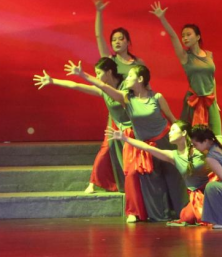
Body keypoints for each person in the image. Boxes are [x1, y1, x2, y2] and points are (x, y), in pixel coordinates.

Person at [77, 62, 185, 222]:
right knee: (152, 183)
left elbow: (172, 119)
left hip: (164, 142)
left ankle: (183, 213)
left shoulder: (157, 97)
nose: (126, 78)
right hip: (145, 146)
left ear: (140, 79)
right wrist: (83, 75)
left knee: (174, 179)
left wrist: (186, 137)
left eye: (130, 76)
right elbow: (103, 86)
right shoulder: (126, 99)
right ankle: (161, 215)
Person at [32, 57, 129, 194]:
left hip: (131, 126)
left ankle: (134, 185)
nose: (97, 77)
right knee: (106, 150)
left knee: (131, 155)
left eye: (99, 73)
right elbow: (75, 85)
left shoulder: (125, 86)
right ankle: (94, 183)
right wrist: (53, 81)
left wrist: (83, 74)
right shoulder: (102, 89)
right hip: (115, 124)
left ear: (109, 72)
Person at [107, 121, 212, 226]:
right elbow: (148, 148)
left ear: (184, 133)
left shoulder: (199, 148)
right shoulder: (173, 156)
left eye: (173, 130)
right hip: (197, 195)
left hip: (211, 189)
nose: (170, 133)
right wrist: (125, 138)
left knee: (204, 214)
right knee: (186, 216)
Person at [149, 2, 222, 134]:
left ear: (198, 37)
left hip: (210, 101)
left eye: (188, 34)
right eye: (183, 35)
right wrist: (162, 18)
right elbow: (173, 36)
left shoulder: (209, 54)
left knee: (217, 135)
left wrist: (215, 99)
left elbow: (212, 78)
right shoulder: (185, 56)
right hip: (194, 102)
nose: (185, 38)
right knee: (194, 135)